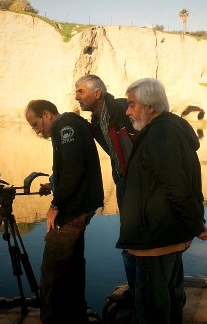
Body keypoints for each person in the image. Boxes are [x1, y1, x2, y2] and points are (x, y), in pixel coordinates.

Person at [116, 78, 207, 324]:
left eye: (131, 104)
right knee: (170, 299)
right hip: (166, 233)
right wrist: (194, 223)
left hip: (155, 240)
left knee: (153, 307)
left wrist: (197, 224)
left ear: (150, 106)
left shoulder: (160, 134)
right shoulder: (168, 129)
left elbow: (177, 185)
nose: (128, 111)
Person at [25, 99, 104, 324]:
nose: (36, 131)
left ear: (47, 115)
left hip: (73, 210)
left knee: (53, 270)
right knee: (72, 266)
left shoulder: (65, 127)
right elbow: (71, 170)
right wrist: (54, 185)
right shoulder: (68, 126)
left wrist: (56, 204)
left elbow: (73, 169)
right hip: (81, 205)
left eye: (36, 124)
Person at [74, 74, 138, 301]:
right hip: (123, 180)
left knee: (138, 235)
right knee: (129, 235)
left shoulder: (122, 108)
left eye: (81, 91)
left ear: (97, 93)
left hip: (139, 182)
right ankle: (135, 289)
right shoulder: (95, 121)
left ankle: (143, 291)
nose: (77, 96)